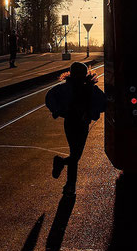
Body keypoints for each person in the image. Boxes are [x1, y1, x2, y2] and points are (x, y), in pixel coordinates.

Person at [45, 62, 107, 196]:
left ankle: (69, 183)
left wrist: (58, 111)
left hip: (70, 123)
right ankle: (69, 182)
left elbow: (49, 98)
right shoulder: (91, 88)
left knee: (74, 154)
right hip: (82, 124)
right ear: (85, 74)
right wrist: (94, 111)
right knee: (75, 155)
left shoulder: (64, 88)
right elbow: (103, 103)